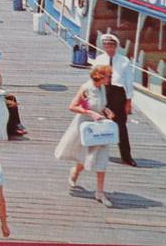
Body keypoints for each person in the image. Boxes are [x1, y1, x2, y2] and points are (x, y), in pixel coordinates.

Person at [54, 65, 117, 207]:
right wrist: (90, 113)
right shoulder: (86, 88)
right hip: (86, 126)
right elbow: (73, 106)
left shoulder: (102, 88)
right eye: (108, 76)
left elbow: (99, 105)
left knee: (102, 158)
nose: (110, 79)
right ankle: (75, 171)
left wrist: (106, 110)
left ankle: (100, 192)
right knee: (85, 157)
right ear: (100, 76)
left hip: (99, 127)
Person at [91, 33, 136, 166]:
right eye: (106, 46)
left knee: (121, 125)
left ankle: (126, 156)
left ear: (116, 47)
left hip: (118, 93)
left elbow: (129, 82)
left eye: (111, 46)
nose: (109, 49)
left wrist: (129, 101)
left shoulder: (124, 61)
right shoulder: (99, 60)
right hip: (103, 91)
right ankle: (95, 154)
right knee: (98, 123)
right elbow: (94, 78)